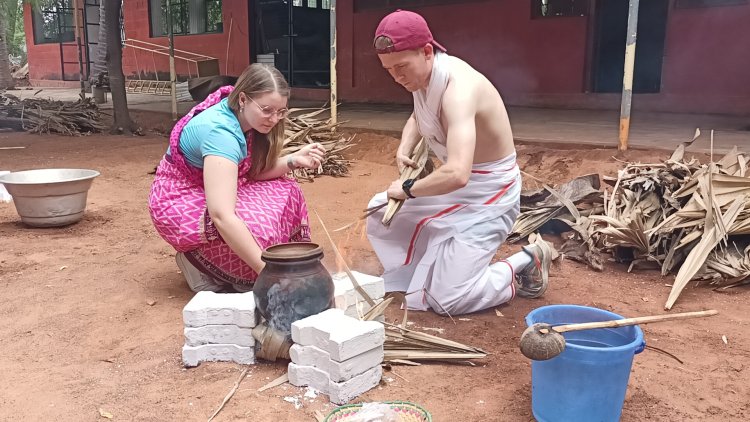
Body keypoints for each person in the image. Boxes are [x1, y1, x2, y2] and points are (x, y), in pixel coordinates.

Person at [366, 10, 553, 315]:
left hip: (491, 193)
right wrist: (406, 144)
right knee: (379, 210)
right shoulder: (424, 78)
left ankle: (521, 262)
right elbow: (419, 113)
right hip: (458, 186)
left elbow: (457, 174)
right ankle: (433, 272)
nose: (396, 77)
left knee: (445, 301)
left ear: (427, 51)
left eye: (401, 67)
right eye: (388, 69)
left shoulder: (459, 91)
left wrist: (408, 188)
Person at [149, 64, 326, 293]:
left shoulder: (243, 116)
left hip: (207, 186)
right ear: (243, 99)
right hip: (177, 199)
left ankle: (246, 264)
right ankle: (199, 266)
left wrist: (292, 160)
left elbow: (251, 172)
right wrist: (269, 275)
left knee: (287, 190)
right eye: (267, 110)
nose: (274, 119)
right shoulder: (221, 134)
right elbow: (221, 215)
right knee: (255, 229)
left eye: (281, 111)